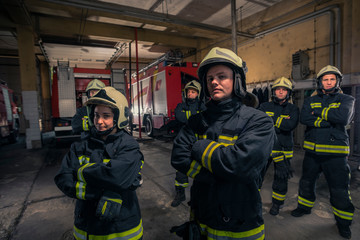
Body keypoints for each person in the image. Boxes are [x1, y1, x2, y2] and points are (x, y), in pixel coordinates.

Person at [171, 47, 275, 239]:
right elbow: (178, 157)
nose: (214, 82)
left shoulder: (258, 120)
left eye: (221, 76)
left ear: (237, 80)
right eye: (210, 78)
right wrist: (219, 176)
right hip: (202, 215)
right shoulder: (197, 120)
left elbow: (240, 165)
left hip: (240, 223)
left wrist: (198, 146)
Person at [55, 86, 144, 240]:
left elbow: (118, 177)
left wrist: (81, 172)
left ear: (119, 117)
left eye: (106, 116)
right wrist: (102, 192)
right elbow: (63, 179)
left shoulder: (129, 145)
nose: (99, 121)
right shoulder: (80, 146)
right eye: (96, 115)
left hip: (122, 230)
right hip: (86, 227)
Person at [290, 65, 355, 239]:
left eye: (332, 79)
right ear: (320, 82)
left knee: (339, 189)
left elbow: (343, 118)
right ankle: (303, 207)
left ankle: (343, 222)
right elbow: (305, 118)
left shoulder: (347, 99)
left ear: (337, 81)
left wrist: (318, 113)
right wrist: (328, 119)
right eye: (325, 79)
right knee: (306, 182)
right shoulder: (311, 99)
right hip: (312, 152)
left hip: (336, 154)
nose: (328, 82)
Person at [259, 77, 299, 215]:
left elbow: (290, 125)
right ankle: (253, 200)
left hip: (284, 150)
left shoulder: (293, 108)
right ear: (273, 91)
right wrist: (281, 122)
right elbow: (260, 126)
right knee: (257, 175)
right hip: (266, 148)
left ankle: (277, 204)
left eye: (284, 90)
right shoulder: (264, 106)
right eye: (278, 89)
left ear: (288, 93)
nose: (280, 92)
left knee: (281, 178)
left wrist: (271, 122)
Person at [171, 80, 206, 207]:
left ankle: (196, 197)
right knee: (181, 170)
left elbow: (205, 122)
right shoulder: (180, 106)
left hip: (199, 144)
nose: (190, 94)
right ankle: (180, 195)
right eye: (189, 92)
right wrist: (195, 120)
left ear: (198, 94)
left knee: (200, 172)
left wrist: (190, 120)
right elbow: (179, 117)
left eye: (193, 92)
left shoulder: (203, 107)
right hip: (184, 144)